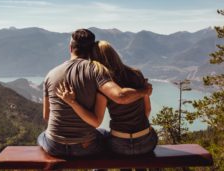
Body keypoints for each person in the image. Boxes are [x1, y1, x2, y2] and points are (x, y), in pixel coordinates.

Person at [37, 29, 152, 157]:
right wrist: (145, 91)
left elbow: (46, 116)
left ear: (70, 48)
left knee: (42, 136)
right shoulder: (96, 71)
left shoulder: (50, 75)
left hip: (54, 145)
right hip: (85, 146)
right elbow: (120, 97)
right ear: (91, 50)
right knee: (103, 135)